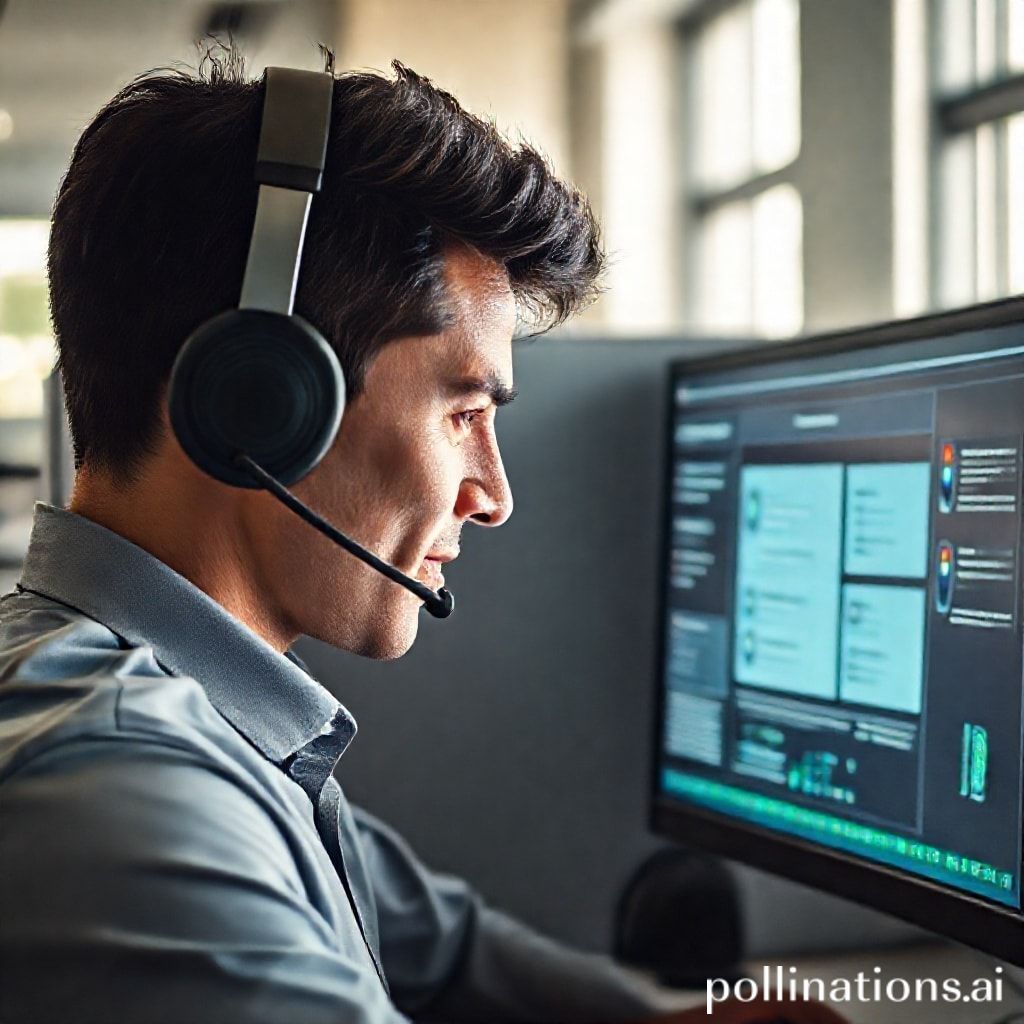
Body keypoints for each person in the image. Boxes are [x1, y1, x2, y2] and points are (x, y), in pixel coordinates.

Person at [0, 47, 845, 1024]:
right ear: (259, 402)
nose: (493, 493)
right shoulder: (121, 799)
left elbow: (437, 950)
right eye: (461, 413)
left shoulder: (211, 716)